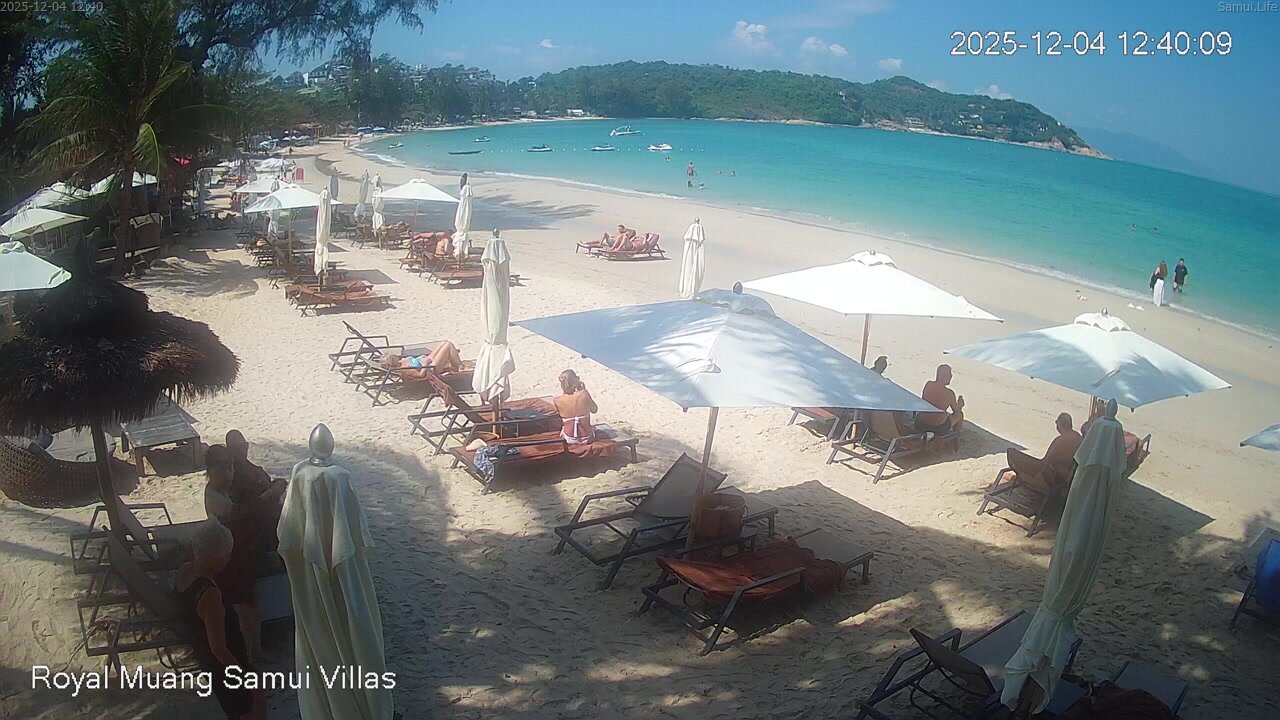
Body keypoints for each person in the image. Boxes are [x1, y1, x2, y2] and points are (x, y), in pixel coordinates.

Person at [175, 520, 265, 719]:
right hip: (225, 666)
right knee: (252, 709)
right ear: (213, 557)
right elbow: (219, 649)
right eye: (226, 554)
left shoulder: (186, 571)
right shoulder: (209, 594)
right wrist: (245, 678)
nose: (228, 559)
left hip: (206, 656)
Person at [202, 444, 281, 666]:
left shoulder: (225, 490)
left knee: (251, 605)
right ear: (210, 470)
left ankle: (254, 651)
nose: (228, 472)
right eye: (221, 467)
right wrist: (270, 494)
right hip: (228, 558)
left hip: (239, 552)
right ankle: (252, 653)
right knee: (246, 607)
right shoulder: (214, 497)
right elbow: (243, 513)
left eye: (230, 466)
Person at [1006, 413, 1083, 488]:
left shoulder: (1060, 441)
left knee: (1015, 456)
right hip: (1071, 477)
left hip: (1055, 478)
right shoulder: (1078, 437)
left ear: (1059, 425)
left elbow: (1045, 462)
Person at [554, 369, 598, 444]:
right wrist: (583, 390)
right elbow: (594, 410)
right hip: (587, 437)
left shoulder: (557, 400)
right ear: (575, 381)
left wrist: (565, 390)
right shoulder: (584, 394)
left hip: (569, 438)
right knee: (593, 428)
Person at [380, 339, 464, 377]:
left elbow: (414, 361)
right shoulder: (403, 369)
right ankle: (460, 366)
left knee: (445, 342)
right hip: (431, 368)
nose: (395, 356)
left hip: (426, 361)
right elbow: (420, 375)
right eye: (393, 357)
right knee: (448, 345)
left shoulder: (401, 361)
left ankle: (457, 364)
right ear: (392, 363)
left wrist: (421, 358)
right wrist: (426, 363)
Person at [918, 364, 965, 432]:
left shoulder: (928, 384)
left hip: (921, 423)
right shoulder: (949, 393)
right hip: (938, 427)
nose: (951, 376)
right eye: (949, 374)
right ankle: (957, 433)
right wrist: (960, 405)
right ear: (944, 376)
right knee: (960, 415)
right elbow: (956, 411)